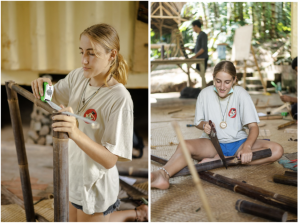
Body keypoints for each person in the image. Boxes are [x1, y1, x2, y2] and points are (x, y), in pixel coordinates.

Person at [31, 23, 148, 222]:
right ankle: (134, 212)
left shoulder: (120, 99)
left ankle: (135, 213)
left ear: (112, 55)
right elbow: (50, 97)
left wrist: (75, 133)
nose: (84, 60)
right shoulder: (78, 76)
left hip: (95, 183)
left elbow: (111, 160)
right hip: (73, 174)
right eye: (82, 52)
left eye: (92, 54)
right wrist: (43, 83)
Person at [151, 61, 284, 190]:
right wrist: (204, 126)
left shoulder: (241, 94)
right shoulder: (204, 94)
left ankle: (224, 160)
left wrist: (247, 148)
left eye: (227, 82)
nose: (222, 86)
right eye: (218, 81)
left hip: (239, 144)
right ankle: (163, 175)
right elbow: (198, 122)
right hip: (212, 144)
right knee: (185, 145)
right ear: (213, 78)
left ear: (234, 80)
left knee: (277, 150)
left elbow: (253, 127)